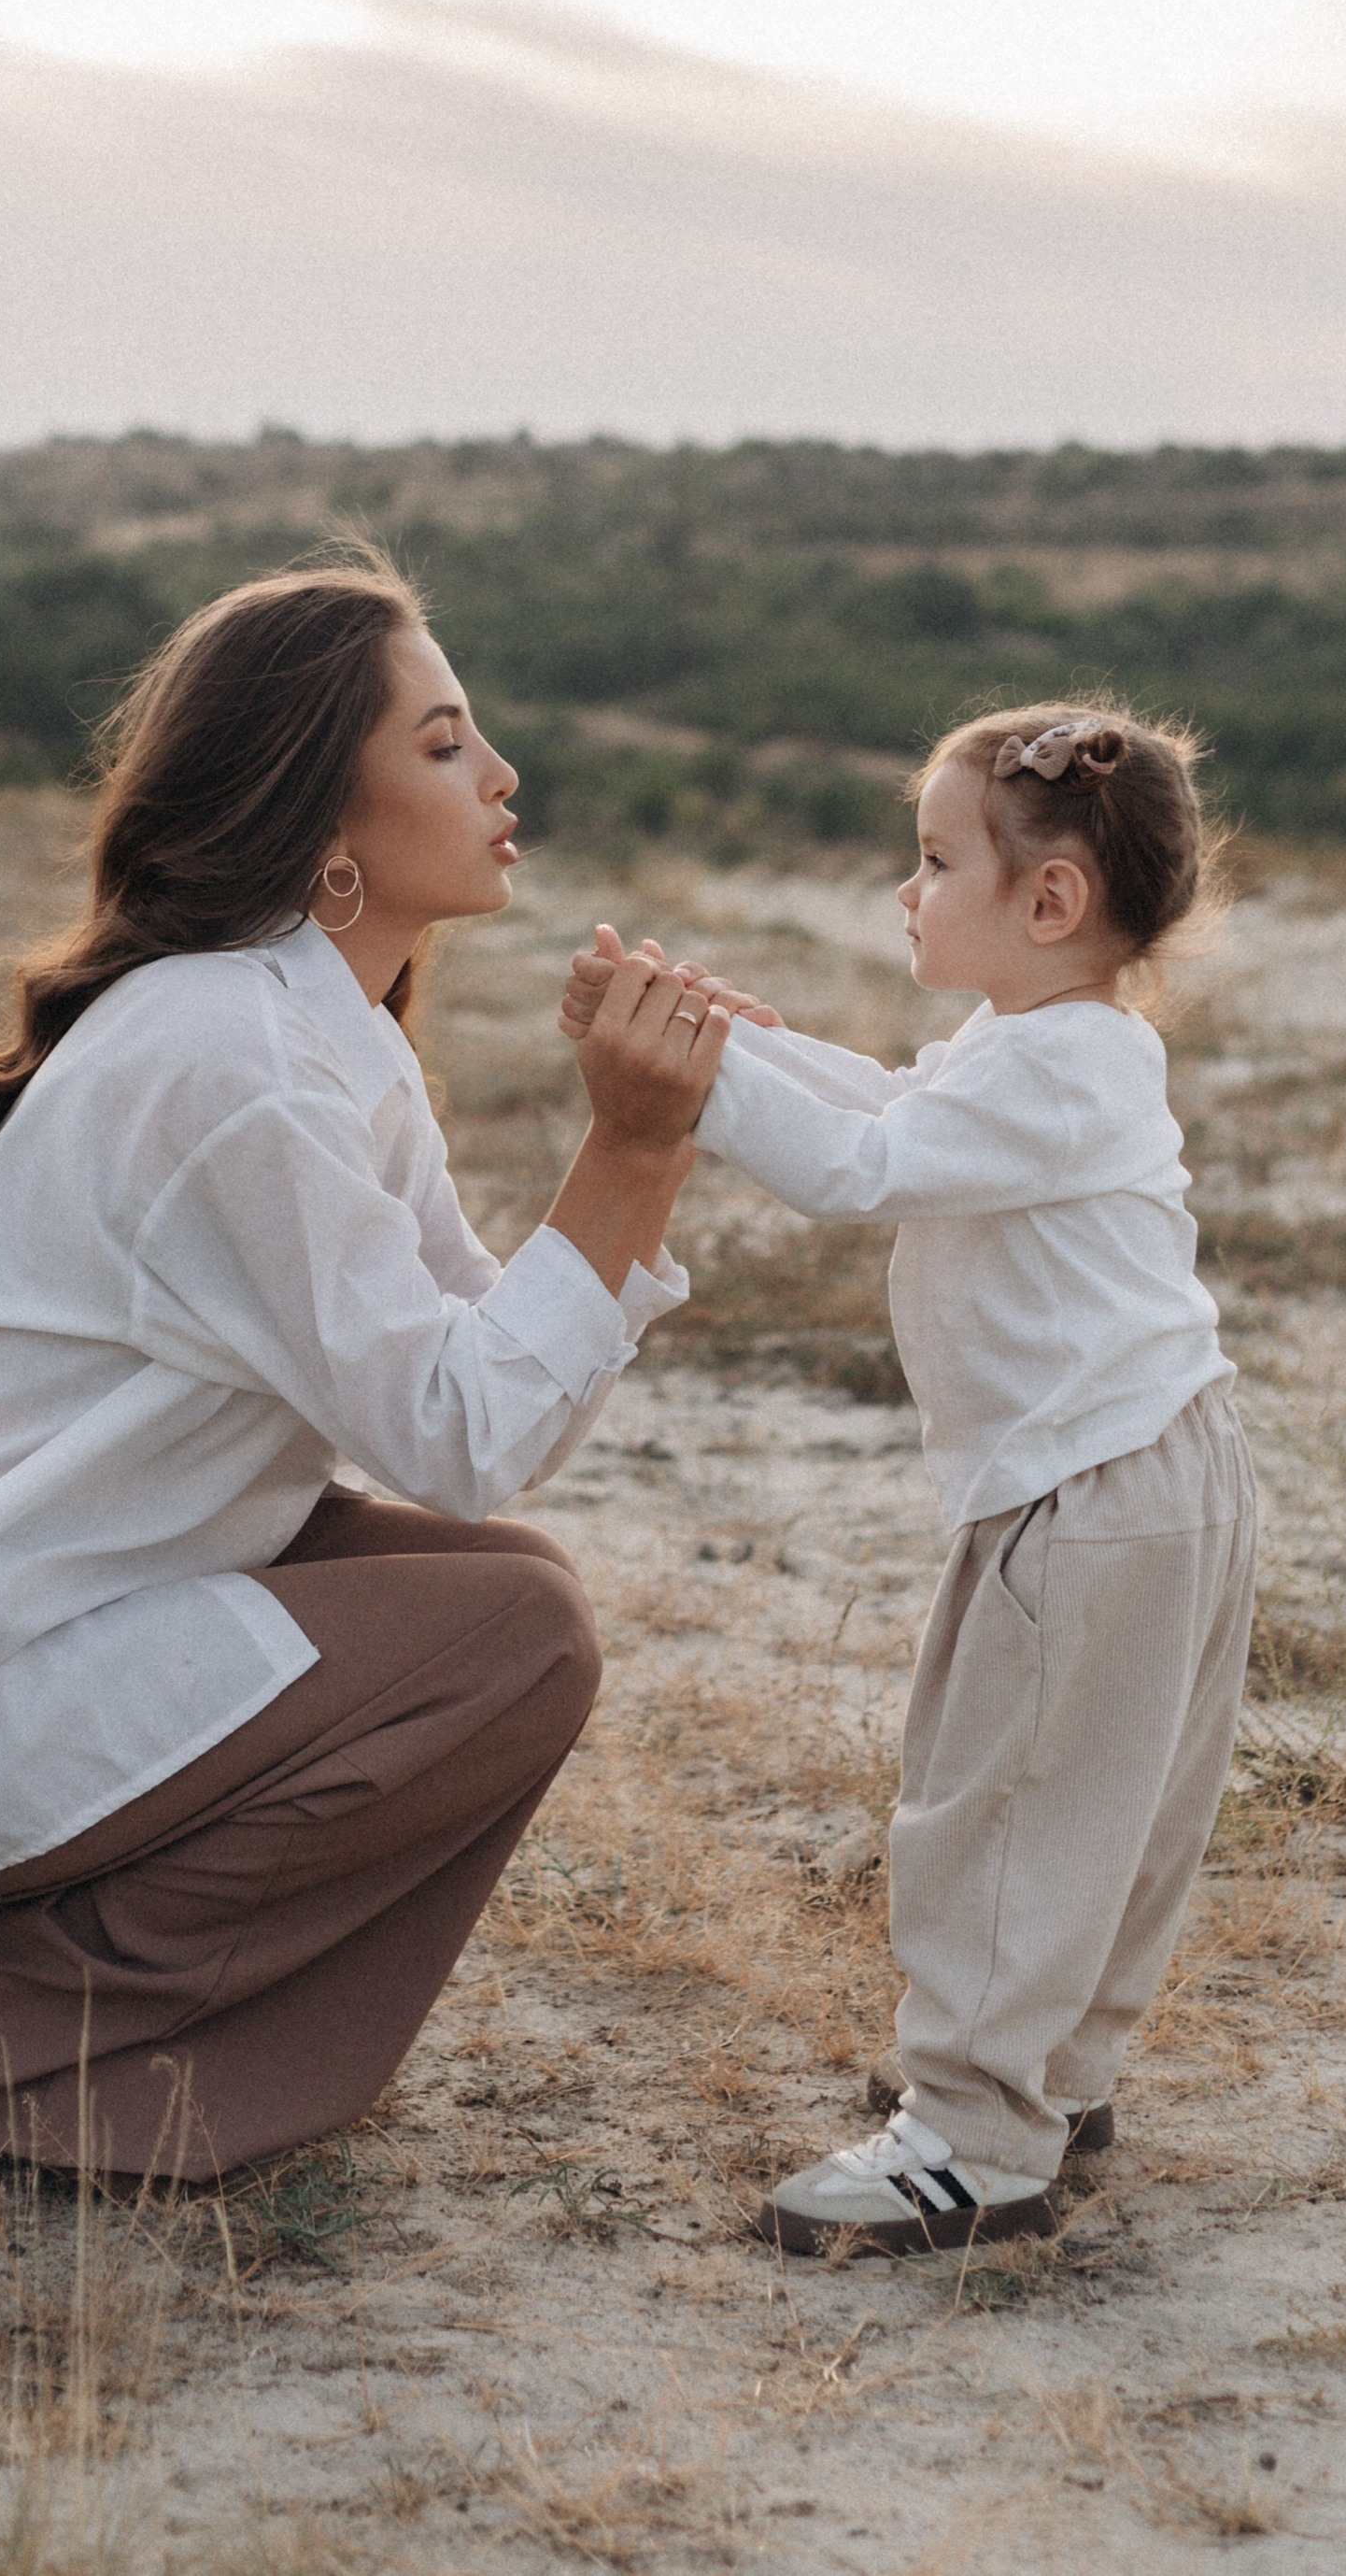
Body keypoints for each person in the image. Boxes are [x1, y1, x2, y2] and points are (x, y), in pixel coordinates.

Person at [0, 552, 726, 2181]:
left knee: (502, 1586)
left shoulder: (318, 1038)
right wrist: (627, 1149)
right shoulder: (233, 1062)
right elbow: (460, 1428)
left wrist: (648, 1153)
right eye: (443, 746)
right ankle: (30, 2033)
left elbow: (492, 1415)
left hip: (26, 1627)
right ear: (327, 826)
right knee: (513, 1630)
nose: (503, 776)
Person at [560, 707, 1252, 2255]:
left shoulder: (1059, 1067)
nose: (907, 891)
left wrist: (687, 1079)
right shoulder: (1052, 1045)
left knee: (1001, 1800)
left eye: (936, 862)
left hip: (1085, 1493)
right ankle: (1058, 2081)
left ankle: (971, 2135)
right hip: (1165, 1469)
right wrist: (731, 1036)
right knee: (1115, 1805)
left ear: (1051, 904)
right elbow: (888, 1103)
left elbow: (853, 1170)